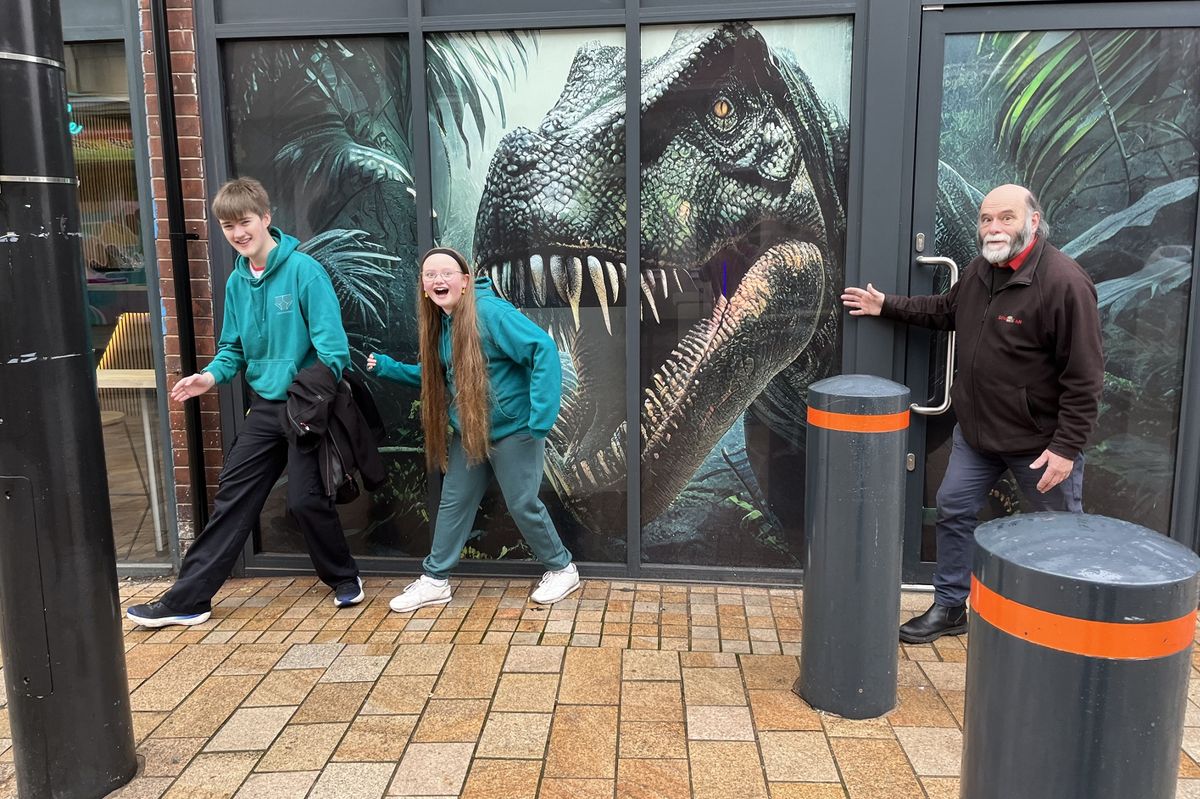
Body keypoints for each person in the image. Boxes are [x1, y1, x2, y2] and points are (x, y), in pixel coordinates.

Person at [841, 184, 1103, 644]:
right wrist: (885, 305)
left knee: (1057, 535)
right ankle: (949, 608)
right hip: (978, 437)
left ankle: (1064, 629)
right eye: (986, 219)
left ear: (1033, 222)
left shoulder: (1065, 283)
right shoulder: (981, 270)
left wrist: (1065, 448)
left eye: (1006, 217)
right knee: (954, 508)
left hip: (1039, 446)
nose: (994, 227)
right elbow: (945, 310)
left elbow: (1084, 377)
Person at [127, 177, 365, 628]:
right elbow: (232, 349)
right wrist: (208, 377)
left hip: (306, 407)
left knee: (303, 501)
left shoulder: (303, 272)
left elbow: (334, 352)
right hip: (265, 408)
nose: (238, 232)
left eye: (245, 222)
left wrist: (303, 393)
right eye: (228, 225)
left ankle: (343, 576)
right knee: (232, 501)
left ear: (266, 219)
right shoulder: (237, 282)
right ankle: (189, 600)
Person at [368, 247, 579, 612]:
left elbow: (542, 349)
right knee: (453, 503)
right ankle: (435, 581)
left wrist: (540, 419)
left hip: (513, 429)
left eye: (446, 273)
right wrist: (388, 368)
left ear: (465, 281)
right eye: (430, 274)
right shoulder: (443, 323)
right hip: (469, 432)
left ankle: (562, 568)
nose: (438, 280)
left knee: (522, 503)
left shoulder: (489, 312)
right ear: (423, 286)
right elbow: (440, 377)